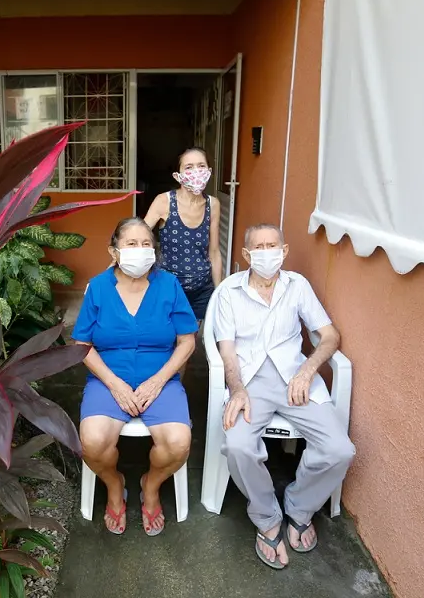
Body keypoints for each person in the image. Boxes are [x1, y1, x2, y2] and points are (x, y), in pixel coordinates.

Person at [214, 223, 355, 570]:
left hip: (295, 380)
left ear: (284, 250)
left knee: (340, 450)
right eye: (258, 247)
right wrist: (238, 389)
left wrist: (307, 371)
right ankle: (266, 517)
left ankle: (299, 507)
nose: (266, 252)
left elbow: (329, 336)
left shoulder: (298, 286)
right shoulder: (229, 292)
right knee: (238, 445)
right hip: (250, 382)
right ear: (246, 255)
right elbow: (227, 352)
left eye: (272, 245)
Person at [74, 217, 198, 536]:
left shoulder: (168, 285)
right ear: (114, 251)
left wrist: (158, 381)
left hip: (161, 379)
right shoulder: (99, 288)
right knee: (92, 442)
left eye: (146, 244)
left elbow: (187, 341)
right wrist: (114, 384)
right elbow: (82, 345)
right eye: (131, 244)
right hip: (108, 379)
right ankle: (115, 485)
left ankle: (151, 485)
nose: (140, 250)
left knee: (178, 444)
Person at [144, 147, 222, 322]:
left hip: (202, 288)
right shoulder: (164, 201)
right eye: (189, 167)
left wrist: (218, 292)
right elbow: (137, 237)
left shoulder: (213, 204)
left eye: (201, 166)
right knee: (166, 337)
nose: (196, 171)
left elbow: (215, 252)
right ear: (177, 175)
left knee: (190, 338)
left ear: (209, 171)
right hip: (167, 286)